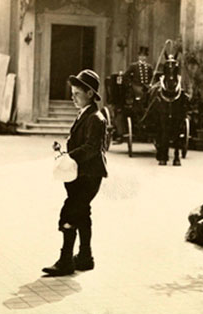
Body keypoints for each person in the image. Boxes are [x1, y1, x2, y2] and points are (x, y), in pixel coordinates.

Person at [42, 69, 108, 276]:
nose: (73, 98)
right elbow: (81, 144)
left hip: (89, 175)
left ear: (90, 93)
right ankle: (85, 257)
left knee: (69, 212)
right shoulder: (85, 115)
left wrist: (69, 157)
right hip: (82, 174)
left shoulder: (96, 118)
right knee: (82, 212)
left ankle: (65, 260)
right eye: (72, 93)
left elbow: (91, 147)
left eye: (77, 94)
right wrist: (64, 150)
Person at [124, 46, 154, 112]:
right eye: (141, 56)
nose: (143, 58)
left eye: (144, 56)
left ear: (146, 57)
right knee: (139, 95)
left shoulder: (149, 67)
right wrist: (130, 84)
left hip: (147, 87)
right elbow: (126, 76)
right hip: (136, 86)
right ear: (138, 56)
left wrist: (150, 84)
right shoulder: (134, 66)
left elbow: (151, 77)